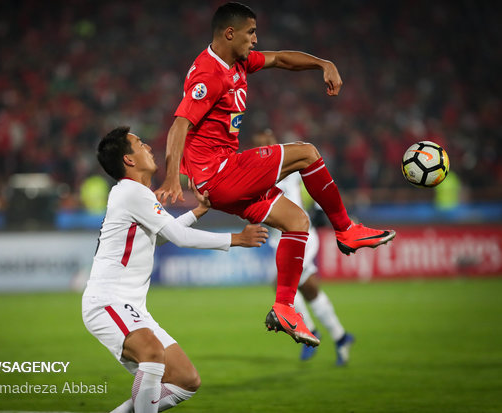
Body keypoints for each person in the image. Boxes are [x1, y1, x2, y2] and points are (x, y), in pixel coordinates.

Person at [155, 2, 395, 347]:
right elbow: (180, 124)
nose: (255, 39)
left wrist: (322, 63)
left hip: (223, 176)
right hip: (221, 173)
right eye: (251, 32)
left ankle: (284, 307)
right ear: (230, 33)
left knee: (297, 222)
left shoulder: (237, 62)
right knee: (307, 153)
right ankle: (346, 230)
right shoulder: (209, 74)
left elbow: (281, 58)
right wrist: (172, 176)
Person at [82, 126, 268, 413]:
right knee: (152, 353)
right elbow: (179, 239)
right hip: (108, 302)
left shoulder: (135, 194)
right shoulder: (132, 192)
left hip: (130, 306)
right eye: (140, 144)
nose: (149, 147)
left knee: (185, 380)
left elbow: (159, 237)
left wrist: (196, 213)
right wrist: (235, 239)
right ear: (129, 160)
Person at [254, 129, 354, 366]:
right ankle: (341, 337)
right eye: (259, 145)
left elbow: (311, 175)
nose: (263, 148)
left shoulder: (286, 167)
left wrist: (321, 208)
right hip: (281, 239)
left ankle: (310, 330)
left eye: (267, 142)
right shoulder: (257, 173)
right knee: (310, 290)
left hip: (302, 236)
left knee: (281, 282)